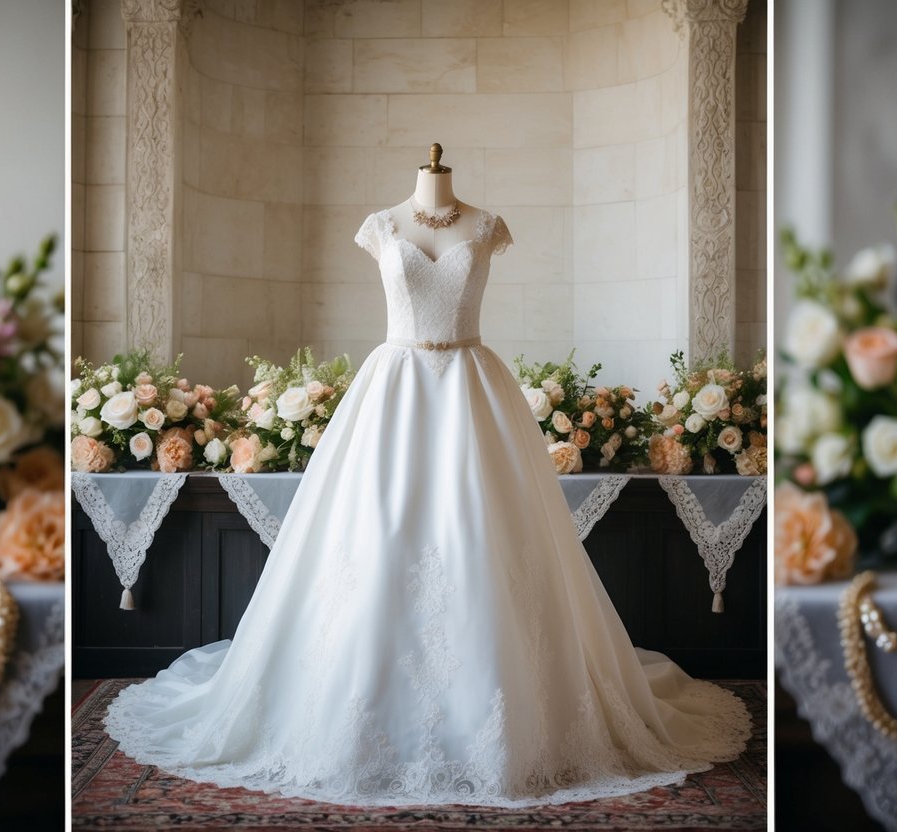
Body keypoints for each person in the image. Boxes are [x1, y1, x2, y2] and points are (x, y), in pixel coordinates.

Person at [104, 146, 751, 807]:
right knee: (379, 534)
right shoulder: (379, 226)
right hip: (394, 391)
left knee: (484, 533)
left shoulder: (487, 225)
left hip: (473, 391)